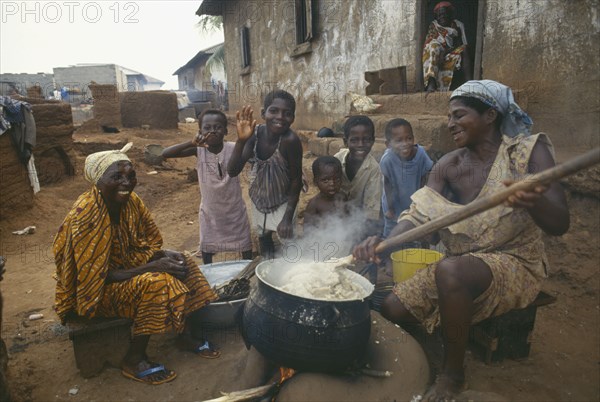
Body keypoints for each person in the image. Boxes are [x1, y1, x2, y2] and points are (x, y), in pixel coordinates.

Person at [353, 80, 569, 401]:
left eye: (459, 115)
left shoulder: (527, 153)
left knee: (451, 272)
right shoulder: (448, 166)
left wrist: (533, 200)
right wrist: (382, 244)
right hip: (463, 265)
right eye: (449, 117)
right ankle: (448, 327)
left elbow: (559, 223)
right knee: (392, 308)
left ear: (490, 115)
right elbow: (417, 216)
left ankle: (453, 374)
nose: (450, 124)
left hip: (515, 261)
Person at [53, 144, 221, 385]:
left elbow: (146, 245)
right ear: (97, 181)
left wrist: (162, 254)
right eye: (116, 177)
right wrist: (152, 267)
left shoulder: (132, 202)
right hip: (92, 294)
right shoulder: (85, 215)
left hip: (126, 275)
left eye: (131, 176)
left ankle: (184, 334)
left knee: (183, 261)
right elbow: (94, 278)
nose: (126, 183)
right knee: (157, 283)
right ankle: (134, 357)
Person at [162, 109, 253, 265]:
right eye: (207, 128)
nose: (212, 131)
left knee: (244, 246)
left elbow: (246, 157)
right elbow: (165, 153)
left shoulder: (234, 147)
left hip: (234, 211)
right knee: (207, 248)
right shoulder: (199, 150)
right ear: (200, 131)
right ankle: (208, 273)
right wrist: (191, 142)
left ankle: (248, 269)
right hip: (210, 213)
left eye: (217, 127)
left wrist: (243, 140)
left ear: (225, 130)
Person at [227, 90, 303, 259]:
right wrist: (241, 141)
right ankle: (268, 268)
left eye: (287, 113)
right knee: (263, 235)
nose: (280, 117)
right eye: (274, 111)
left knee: (287, 240)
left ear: (293, 118)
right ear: (263, 113)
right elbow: (232, 171)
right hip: (260, 194)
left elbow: (296, 180)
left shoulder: (290, 141)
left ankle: (292, 274)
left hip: (285, 197)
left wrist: (287, 217)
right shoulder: (254, 135)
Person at [380, 118, 434, 238]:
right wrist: (389, 208)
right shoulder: (387, 160)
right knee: (391, 235)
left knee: (418, 231)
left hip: (414, 202)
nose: (405, 143)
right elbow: (387, 184)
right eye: (399, 140)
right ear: (388, 144)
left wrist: (421, 202)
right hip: (394, 204)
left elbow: (425, 176)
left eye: (409, 138)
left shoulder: (420, 154)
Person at [334, 115, 383, 237]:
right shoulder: (337, 160)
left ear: (373, 141)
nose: (361, 144)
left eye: (366, 139)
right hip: (335, 214)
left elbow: (371, 212)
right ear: (346, 141)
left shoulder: (374, 170)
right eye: (354, 140)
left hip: (359, 218)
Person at [423, 1, 472, 92]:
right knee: (433, 45)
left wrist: (445, 51)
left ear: (450, 14)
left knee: (465, 49)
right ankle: (431, 82)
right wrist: (440, 53)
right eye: (440, 15)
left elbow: (462, 45)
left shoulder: (458, 25)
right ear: (436, 17)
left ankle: (470, 84)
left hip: (449, 54)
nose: (442, 16)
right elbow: (429, 44)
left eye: (445, 14)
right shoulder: (434, 26)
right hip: (435, 57)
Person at [303, 156, 349, 231]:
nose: (332, 184)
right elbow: (307, 231)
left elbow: (350, 220)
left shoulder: (343, 197)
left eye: (336, 179)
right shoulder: (314, 204)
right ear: (315, 182)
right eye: (325, 180)